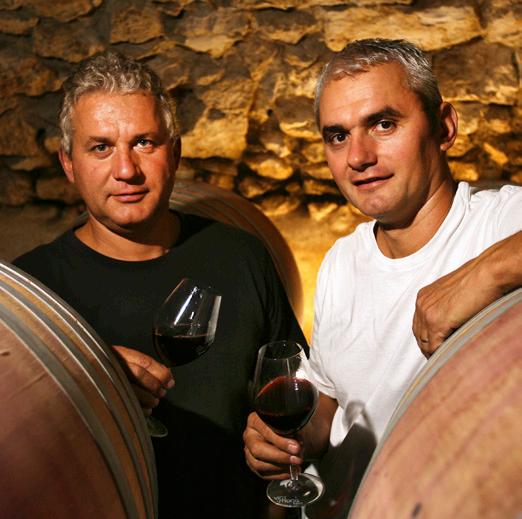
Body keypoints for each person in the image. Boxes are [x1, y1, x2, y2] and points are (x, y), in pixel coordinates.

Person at [13, 51, 307, 519]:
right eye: (101, 148)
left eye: (144, 143)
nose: (126, 170)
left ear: (176, 152)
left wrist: (286, 447)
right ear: (68, 163)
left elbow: (299, 394)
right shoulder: (31, 292)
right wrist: (87, 376)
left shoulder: (241, 256)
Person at [243, 38, 522, 516]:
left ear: (444, 126)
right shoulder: (341, 260)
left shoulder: (501, 223)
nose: (358, 156)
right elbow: (331, 399)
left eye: (383, 124)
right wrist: (289, 439)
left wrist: (488, 270)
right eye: (337, 136)